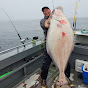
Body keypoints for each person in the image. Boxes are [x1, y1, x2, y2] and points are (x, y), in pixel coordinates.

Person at [40, 6, 70, 88]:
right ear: (43, 13)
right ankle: (43, 80)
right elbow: (46, 25)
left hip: (61, 44)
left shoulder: (58, 19)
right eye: (44, 11)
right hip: (49, 46)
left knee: (66, 62)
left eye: (47, 10)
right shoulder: (43, 21)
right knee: (45, 64)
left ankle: (67, 77)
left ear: (50, 10)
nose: (46, 11)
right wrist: (51, 16)